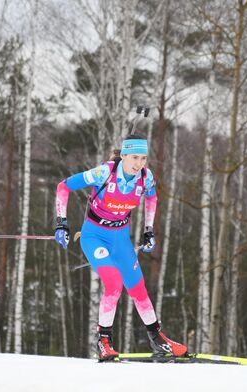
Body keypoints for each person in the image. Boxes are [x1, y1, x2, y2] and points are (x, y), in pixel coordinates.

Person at [54, 134, 187, 361]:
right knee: (114, 283)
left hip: (120, 239)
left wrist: (148, 230)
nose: (139, 163)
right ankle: (104, 342)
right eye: (135, 157)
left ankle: (158, 339)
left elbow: (152, 199)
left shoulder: (145, 177)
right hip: (94, 237)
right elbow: (63, 187)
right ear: (123, 155)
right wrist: (62, 223)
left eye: (143, 158)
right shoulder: (103, 173)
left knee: (139, 289)